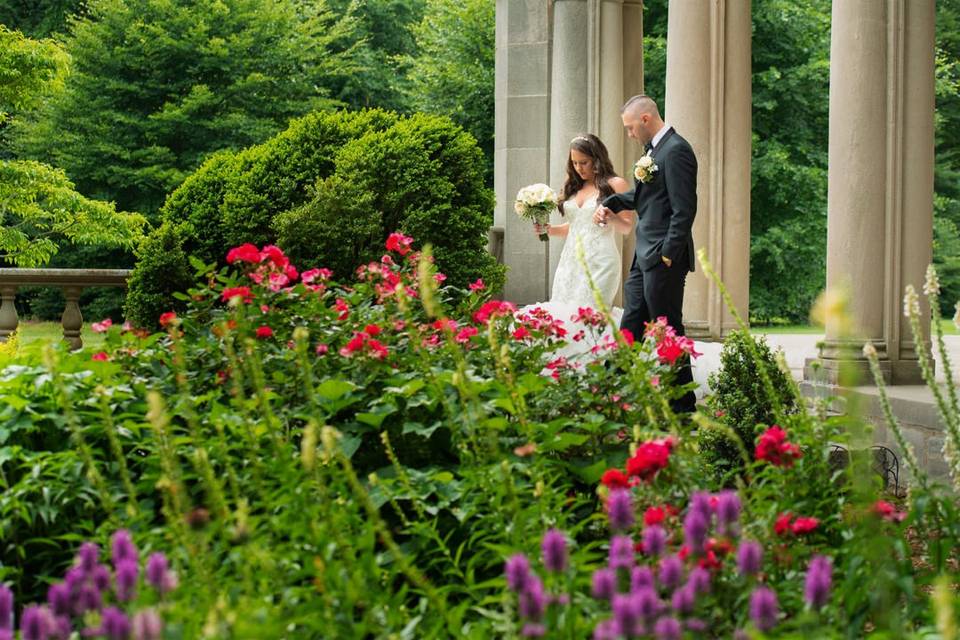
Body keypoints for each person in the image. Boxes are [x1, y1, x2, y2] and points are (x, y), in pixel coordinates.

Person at [596, 95, 698, 412]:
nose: (628, 134)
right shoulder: (653, 152)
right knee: (632, 321)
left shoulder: (677, 150)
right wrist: (612, 202)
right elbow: (645, 199)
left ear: (645, 119)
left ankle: (682, 405)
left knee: (667, 329)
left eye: (629, 128)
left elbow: (685, 209)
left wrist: (668, 253)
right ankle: (612, 393)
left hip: (662, 257)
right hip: (643, 256)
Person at [525, 134, 634, 360]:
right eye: (574, 163)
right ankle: (566, 365)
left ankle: (600, 365)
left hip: (601, 261)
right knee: (565, 315)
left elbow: (626, 227)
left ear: (597, 159)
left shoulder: (616, 184)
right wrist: (550, 230)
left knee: (592, 315)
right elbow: (575, 226)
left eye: (584, 162)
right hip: (570, 263)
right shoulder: (575, 186)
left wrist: (608, 217)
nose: (579, 168)